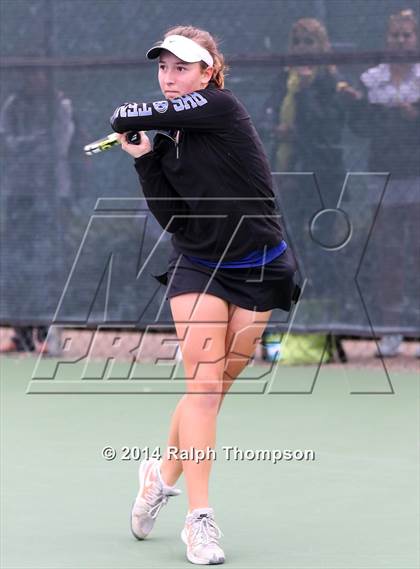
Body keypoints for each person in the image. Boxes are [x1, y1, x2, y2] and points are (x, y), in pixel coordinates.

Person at [110, 26, 299, 565]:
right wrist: (146, 159)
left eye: (182, 68)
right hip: (198, 265)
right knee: (206, 387)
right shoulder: (167, 137)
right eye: (163, 68)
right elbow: (172, 217)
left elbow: (125, 114)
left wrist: (134, 121)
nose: (170, 79)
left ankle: (158, 475)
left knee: (218, 384)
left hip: (259, 264)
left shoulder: (222, 109)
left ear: (209, 72)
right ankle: (200, 520)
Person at [260, 18, 359, 363]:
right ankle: (279, 333)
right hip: (285, 176)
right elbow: (267, 118)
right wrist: (277, 129)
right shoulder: (282, 80)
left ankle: (322, 334)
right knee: (283, 251)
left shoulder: (331, 81)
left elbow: (331, 130)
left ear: (322, 48)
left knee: (320, 253)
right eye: (298, 41)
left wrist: (304, 99)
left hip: (321, 180)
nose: (302, 48)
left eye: (309, 42)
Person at [350, 9, 420, 358]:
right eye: (396, 35)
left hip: (418, 175)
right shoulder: (370, 79)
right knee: (389, 252)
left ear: (416, 38)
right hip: (383, 177)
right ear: (387, 39)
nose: (401, 40)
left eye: (408, 35)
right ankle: (392, 332)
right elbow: (361, 128)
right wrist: (358, 106)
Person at [0, 69, 75, 356]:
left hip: (53, 195)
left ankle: (46, 336)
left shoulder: (60, 105)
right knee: (16, 263)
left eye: (40, 73)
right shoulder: (13, 104)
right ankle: (20, 336)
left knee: (49, 262)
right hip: (18, 194)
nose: (33, 79)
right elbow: (7, 142)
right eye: (29, 73)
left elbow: (58, 146)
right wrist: (32, 142)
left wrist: (28, 144)